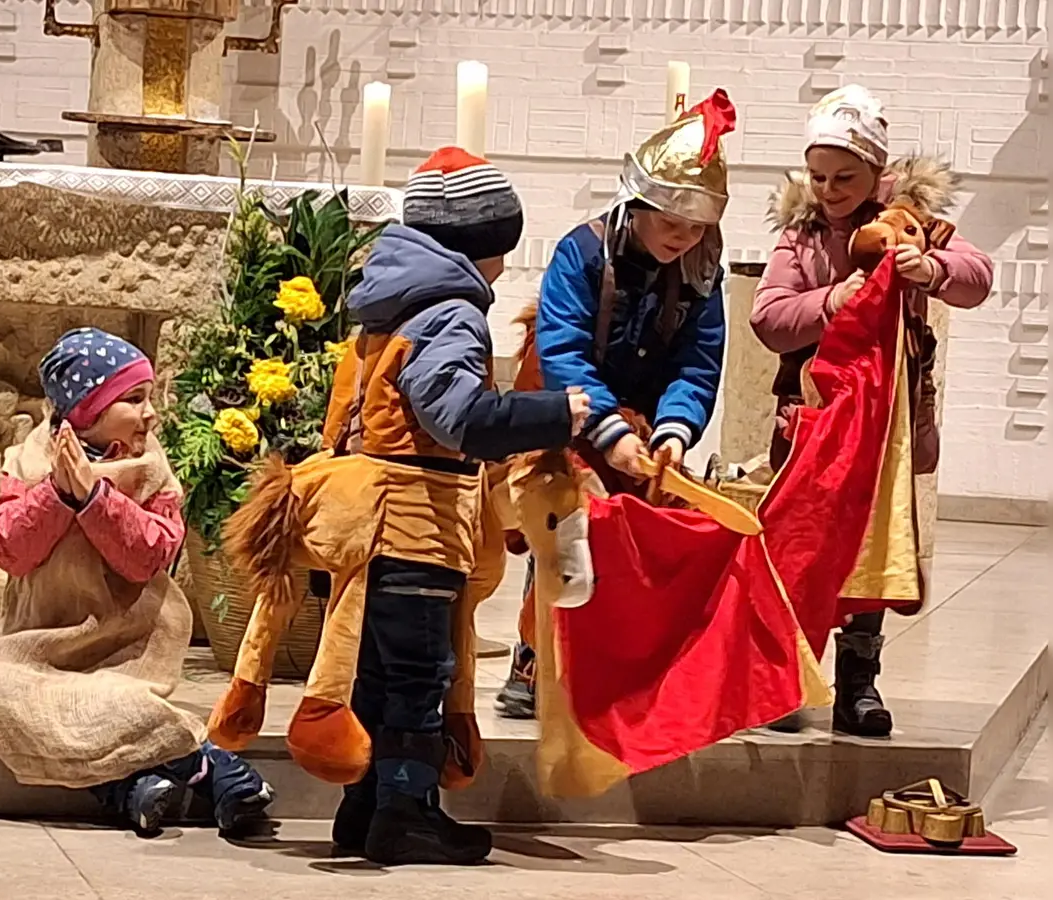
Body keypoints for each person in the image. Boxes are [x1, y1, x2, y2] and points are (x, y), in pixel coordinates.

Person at [311, 146, 589, 865]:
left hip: (373, 523)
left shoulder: (389, 301)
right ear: (481, 246)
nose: (502, 268)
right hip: (416, 525)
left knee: (378, 670)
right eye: (501, 250)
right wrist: (556, 413)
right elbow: (457, 416)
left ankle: (365, 807)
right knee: (418, 675)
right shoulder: (451, 311)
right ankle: (406, 809)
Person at [752, 85, 993, 738]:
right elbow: (769, 319)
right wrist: (833, 300)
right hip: (813, 420)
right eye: (819, 176)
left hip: (888, 427)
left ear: (877, 172)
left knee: (870, 542)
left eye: (845, 177)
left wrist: (932, 268)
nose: (829, 189)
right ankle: (788, 675)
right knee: (798, 547)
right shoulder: (801, 237)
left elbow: (978, 275)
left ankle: (858, 683)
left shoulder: (913, 223)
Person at [0, 327, 273, 836]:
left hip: (123, 644)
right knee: (5, 702)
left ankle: (207, 767)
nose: (150, 413)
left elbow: (151, 555)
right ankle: (135, 787)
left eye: (149, 397)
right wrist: (58, 496)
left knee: (120, 700)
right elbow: (7, 549)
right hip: (41, 643)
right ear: (88, 409)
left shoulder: (151, 467)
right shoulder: (28, 463)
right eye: (134, 399)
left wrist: (97, 501)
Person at [496, 90, 736, 721]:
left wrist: (678, 430)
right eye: (669, 223)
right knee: (562, 528)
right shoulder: (583, 251)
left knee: (641, 535)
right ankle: (533, 657)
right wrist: (602, 428)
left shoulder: (704, 273)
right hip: (566, 406)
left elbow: (697, 362)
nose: (680, 238)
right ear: (639, 204)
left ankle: (620, 663)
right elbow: (562, 346)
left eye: (694, 229)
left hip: (645, 417)